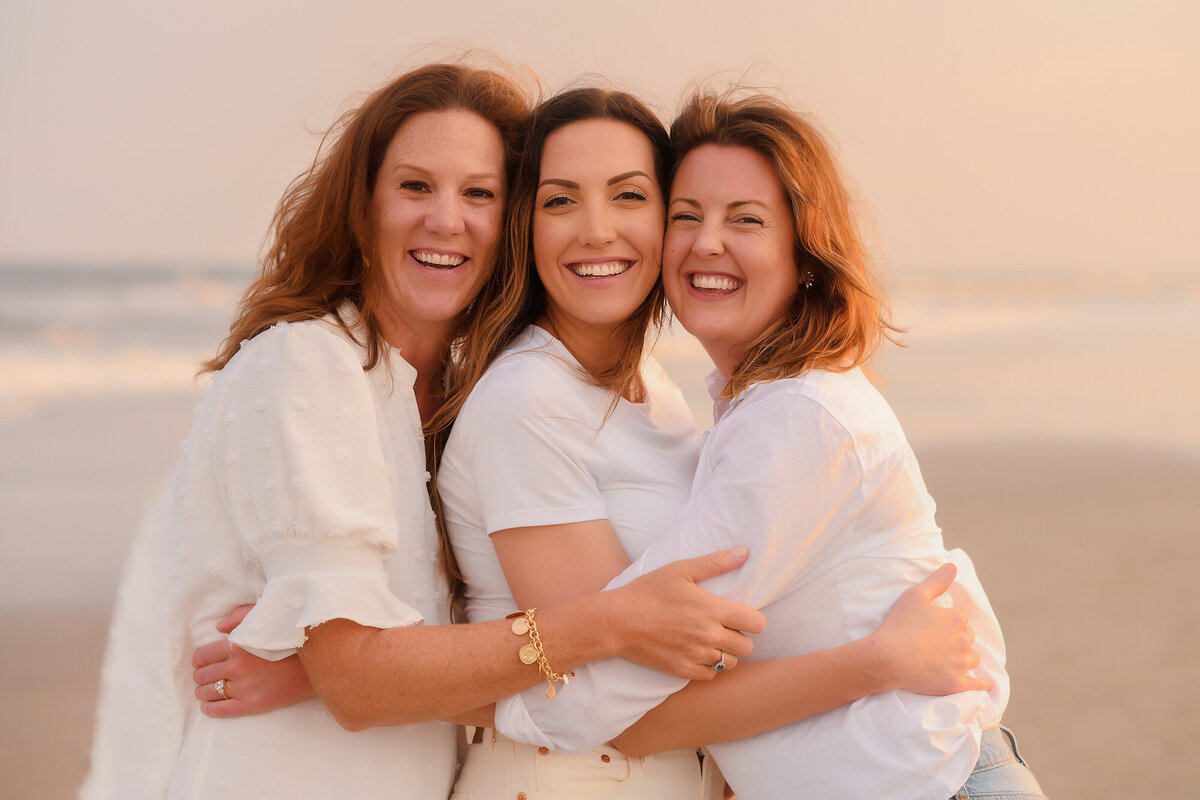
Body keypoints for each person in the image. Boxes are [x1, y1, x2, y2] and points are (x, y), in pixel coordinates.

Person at [79, 65, 767, 800]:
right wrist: (612, 622)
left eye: (479, 193)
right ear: (362, 205)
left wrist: (325, 671)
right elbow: (358, 681)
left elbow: (423, 634)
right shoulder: (311, 364)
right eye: (415, 186)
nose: (446, 219)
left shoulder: (452, 389)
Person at [489, 90, 1047, 800]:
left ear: (804, 253)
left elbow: (617, 684)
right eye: (686, 215)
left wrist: (476, 706)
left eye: (745, 219)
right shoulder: (747, 409)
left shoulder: (799, 420)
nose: (706, 242)